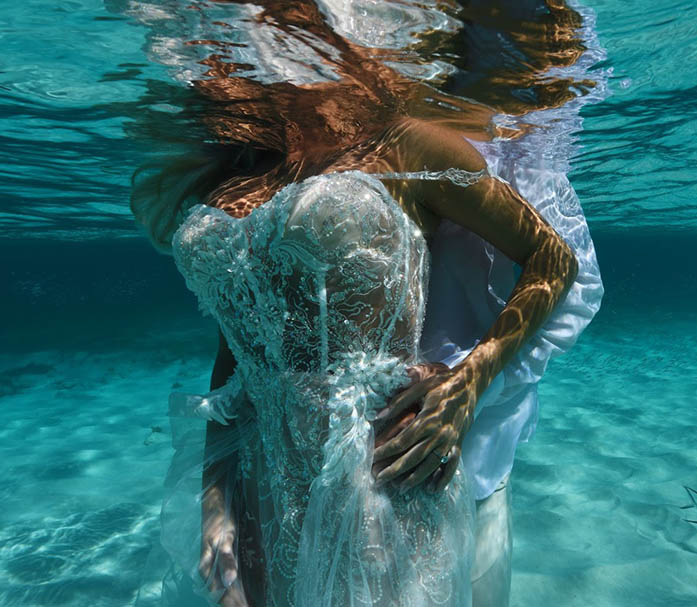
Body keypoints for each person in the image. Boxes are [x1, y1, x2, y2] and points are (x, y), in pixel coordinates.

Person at [128, 1, 604, 605]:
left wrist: (470, 383)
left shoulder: (403, 144)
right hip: (258, 471)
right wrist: (214, 503)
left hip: (377, 461)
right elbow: (241, 343)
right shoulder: (238, 165)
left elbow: (553, 259)